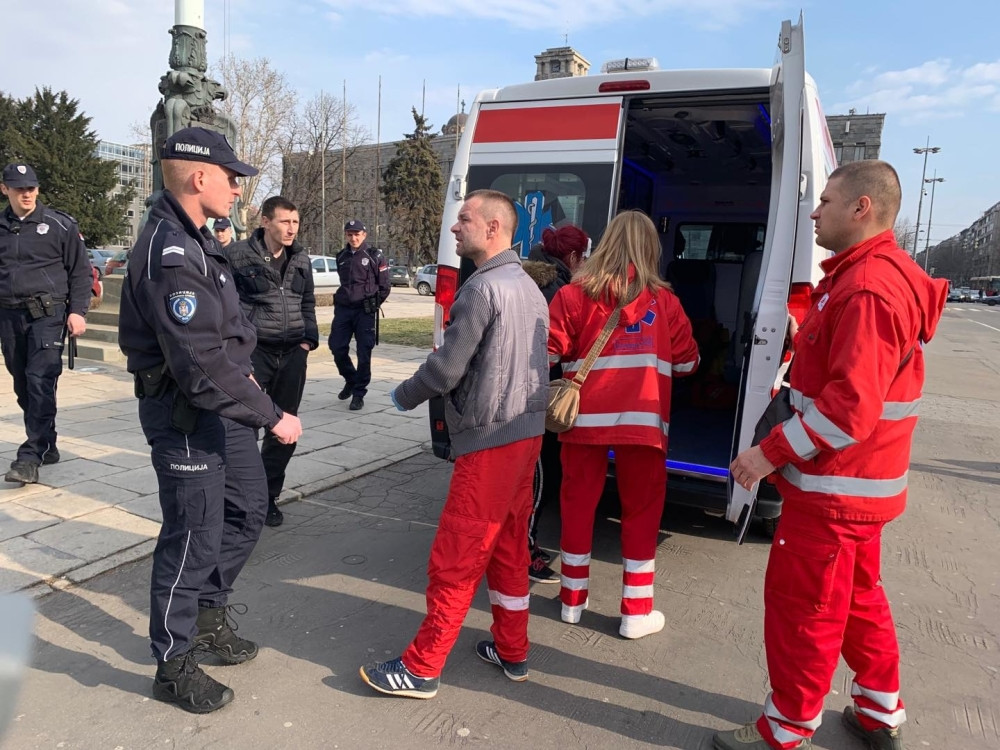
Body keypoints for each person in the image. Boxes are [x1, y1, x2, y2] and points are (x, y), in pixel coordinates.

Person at [713, 160, 948, 750]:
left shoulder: (867, 287)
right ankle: (877, 711)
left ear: (861, 209)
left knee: (804, 611)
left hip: (833, 491)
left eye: (825, 201)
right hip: (863, 488)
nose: (814, 213)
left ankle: (786, 727)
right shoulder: (875, 276)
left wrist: (764, 455)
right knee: (859, 599)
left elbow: (848, 409)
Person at [118, 127, 303, 714]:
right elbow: (199, 365)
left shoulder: (200, 241)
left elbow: (228, 338)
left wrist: (251, 391)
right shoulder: (170, 252)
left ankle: (206, 613)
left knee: (248, 509)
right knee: (192, 534)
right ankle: (172, 663)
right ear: (200, 178)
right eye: (232, 177)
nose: (238, 188)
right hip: (186, 413)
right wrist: (272, 416)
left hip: (223, 407)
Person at [359, 189, 548, 698]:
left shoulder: (480, 290)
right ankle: (512, 649)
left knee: (457, 556)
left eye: (463, 219)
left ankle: (422, 667)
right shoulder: (528, 287)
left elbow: (445, 369)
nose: (454, 228)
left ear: (493, 228)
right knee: (508, 549)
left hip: (489, 438)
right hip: (526, 435)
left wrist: (402, 395)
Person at [547, 210, 699, 640]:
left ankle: (572, 601)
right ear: (651, 249)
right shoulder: (664, 303)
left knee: (577, 506)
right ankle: (636, 612)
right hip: (644, 427)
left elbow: (549, 351)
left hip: (582, 424)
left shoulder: (573, 296)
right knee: (641, 513)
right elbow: (688, 361)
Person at [224, 196, 317, 528]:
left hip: (292, 353)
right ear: (265, 222)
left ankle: (268, 497)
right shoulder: (236, 255)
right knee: (246, 428)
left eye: (295, 222)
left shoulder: (301, 258)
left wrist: (308, 340)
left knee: (285, 430)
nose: (291, 228)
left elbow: (307, 301)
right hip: (255, 353)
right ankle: (241, 500)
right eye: (284, 221)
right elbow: (226, 305)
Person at [0, 163, 91, 485]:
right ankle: (47, 443)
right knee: (23, 385)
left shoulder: (59, 225)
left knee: (39, 380)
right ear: (5, 189)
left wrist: (78, 311)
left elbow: (80, 271)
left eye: (32, 188)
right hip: (9, 317)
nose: (27, 194)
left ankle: (29, 456)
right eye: (20, 188)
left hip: (48, 316)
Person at [520, 224, 590, 584]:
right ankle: (523, 554)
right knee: (540, 479)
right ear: (574, 258)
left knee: (522, 479)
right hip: (538, 398)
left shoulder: (521, 280)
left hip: (510, 396)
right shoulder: (559, 292)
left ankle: (518, 547)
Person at [329, 219, 390, 411]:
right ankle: (351, 378)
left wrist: (373, 304)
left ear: (364, 235)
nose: (353, 238)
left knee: (364, 352)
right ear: (346, 235)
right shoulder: (341, 256)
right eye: (350, 234)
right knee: (336, 346)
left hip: (364, 311)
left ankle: (358, 393)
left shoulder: (374, 256)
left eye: (357, 234)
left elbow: (385, 286)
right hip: (344, 309)